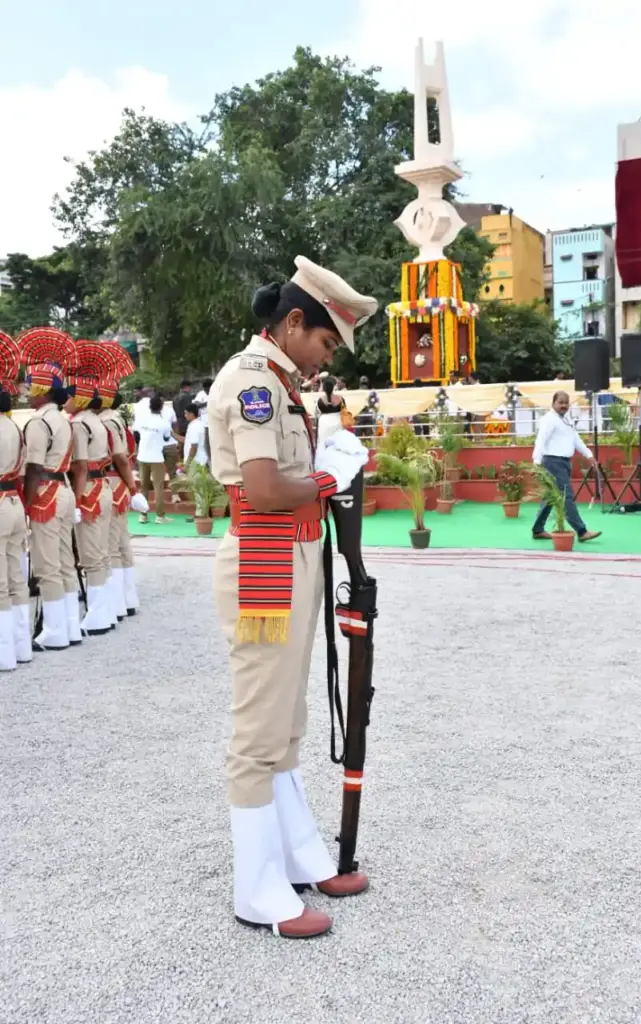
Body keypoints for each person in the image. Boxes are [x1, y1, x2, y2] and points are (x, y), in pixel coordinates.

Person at [209, 254, 376, 939]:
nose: (324, 359)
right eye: (326, 343)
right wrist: (331, 478)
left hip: (292, 551)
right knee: (259, 730)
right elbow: (269, 489)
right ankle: (256, 889)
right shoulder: (252, 380)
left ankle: (299, 854)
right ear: (295, 322)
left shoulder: (280, 380)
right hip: (267, 553)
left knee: (288, 719)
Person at [18, 327, 81, 651]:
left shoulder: (38, 422)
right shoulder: (63, 420)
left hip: (46, 492)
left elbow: (33, 468)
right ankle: (70, 625)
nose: (27, 391)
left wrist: (26, 505)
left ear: (42, 390)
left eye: (30, 386)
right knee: (65, 562)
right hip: (65, 490)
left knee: (46, 566)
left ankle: (56, 629)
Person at [65, 364, 116, 634]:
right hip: (103, 486)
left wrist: (75, 499)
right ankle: (105, 610)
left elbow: (81, 466)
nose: (66, 401)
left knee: (91, 556)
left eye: (70, 397)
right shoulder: (97, 421)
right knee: (102, 553)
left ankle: (97, 615)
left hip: (89, 491)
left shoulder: (79, 425)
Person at [97, 371, 146, 620]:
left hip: (113, 480)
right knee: (122, 542)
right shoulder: (117, 419)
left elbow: (119, 458)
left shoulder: (106, 421)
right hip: (120, 483)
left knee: (112, 545)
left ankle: (117, 603)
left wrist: (131, 484)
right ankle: (128, 598)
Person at [532, 390, 602, 542]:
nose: (564, 405)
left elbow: (575, 440)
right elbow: (541, 440)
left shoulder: (566, 420)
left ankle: (538, 530)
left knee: (550, 497)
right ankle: (582, 531)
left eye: (566, 403)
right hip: (553, 462)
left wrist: (589, 455)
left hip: (564, 463)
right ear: (553, 403)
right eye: (560, 402)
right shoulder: (549, 419)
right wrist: (536, 462)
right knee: (566, 496)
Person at [0, 332, 31, 671]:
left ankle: (4, 654)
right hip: (12, 502)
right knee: (15, 577)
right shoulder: (15, 429)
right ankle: (20, 647)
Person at [136, 395, 172, 524]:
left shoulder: (142, 420)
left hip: (142, 457)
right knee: (158, 487)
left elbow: (137, 434)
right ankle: (160, 516)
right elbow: (167, 438)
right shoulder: (164, 423)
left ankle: (143, 515)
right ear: (162, 407)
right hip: (156, 458)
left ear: (149, 406)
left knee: (144, 487)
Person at [183, 403, 208, 468]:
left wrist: (187, 463)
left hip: (195, 463)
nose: (185, 415)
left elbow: (194, 446)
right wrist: (173, 434)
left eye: (186, 413)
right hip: (198, 461)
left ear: (191, 414)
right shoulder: (196, 424)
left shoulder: (195, 426)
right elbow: (186, 440)